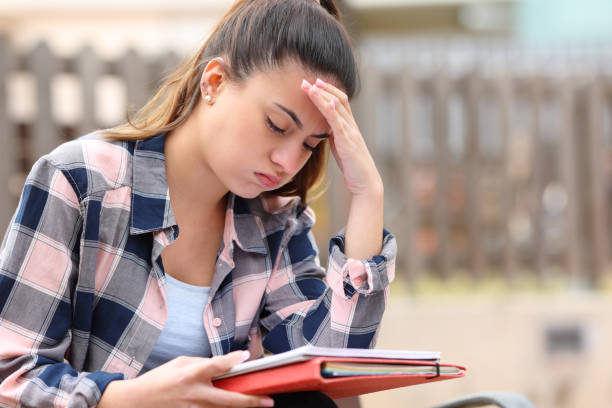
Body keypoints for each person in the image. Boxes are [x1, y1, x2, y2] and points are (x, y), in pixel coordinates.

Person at [0, 0, 396, 406]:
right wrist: (129, 399)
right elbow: (10, 377)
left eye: (310, 146)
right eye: (276, 126)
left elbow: (335, 364)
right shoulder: (81, 181)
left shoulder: (274, 221)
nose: (288, 162)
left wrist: (368, 196)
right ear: (215, 82)